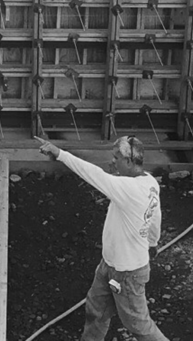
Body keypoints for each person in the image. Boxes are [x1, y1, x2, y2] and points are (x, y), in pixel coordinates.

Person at [36, 135, 169, 341]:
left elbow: (93, 174)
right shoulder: (149, 182)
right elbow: (155, 215)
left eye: (116, 157)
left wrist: (60, 154)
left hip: (127, 273)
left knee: (138, 325)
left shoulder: (128, 188)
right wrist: (152, 242)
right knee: (96, 310)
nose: (112, 161)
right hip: (109, 266)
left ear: (129, 161)